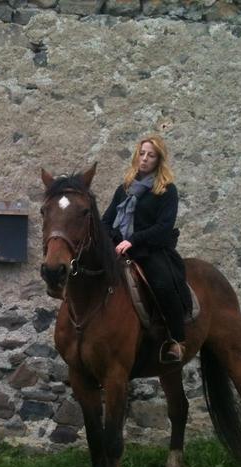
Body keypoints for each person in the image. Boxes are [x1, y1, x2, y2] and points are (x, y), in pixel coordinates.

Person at [101, 135, 192, 363]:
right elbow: (106, 220)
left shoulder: (166, 190)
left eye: (150, 155)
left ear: (158, 160)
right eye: (141, 154)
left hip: (150, 249)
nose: (144, 159)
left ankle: (176, 340)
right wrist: (113, 239)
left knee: (163, 284)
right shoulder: (124, 189)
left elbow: (163, 227)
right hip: (118, 249)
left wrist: (133, 240)